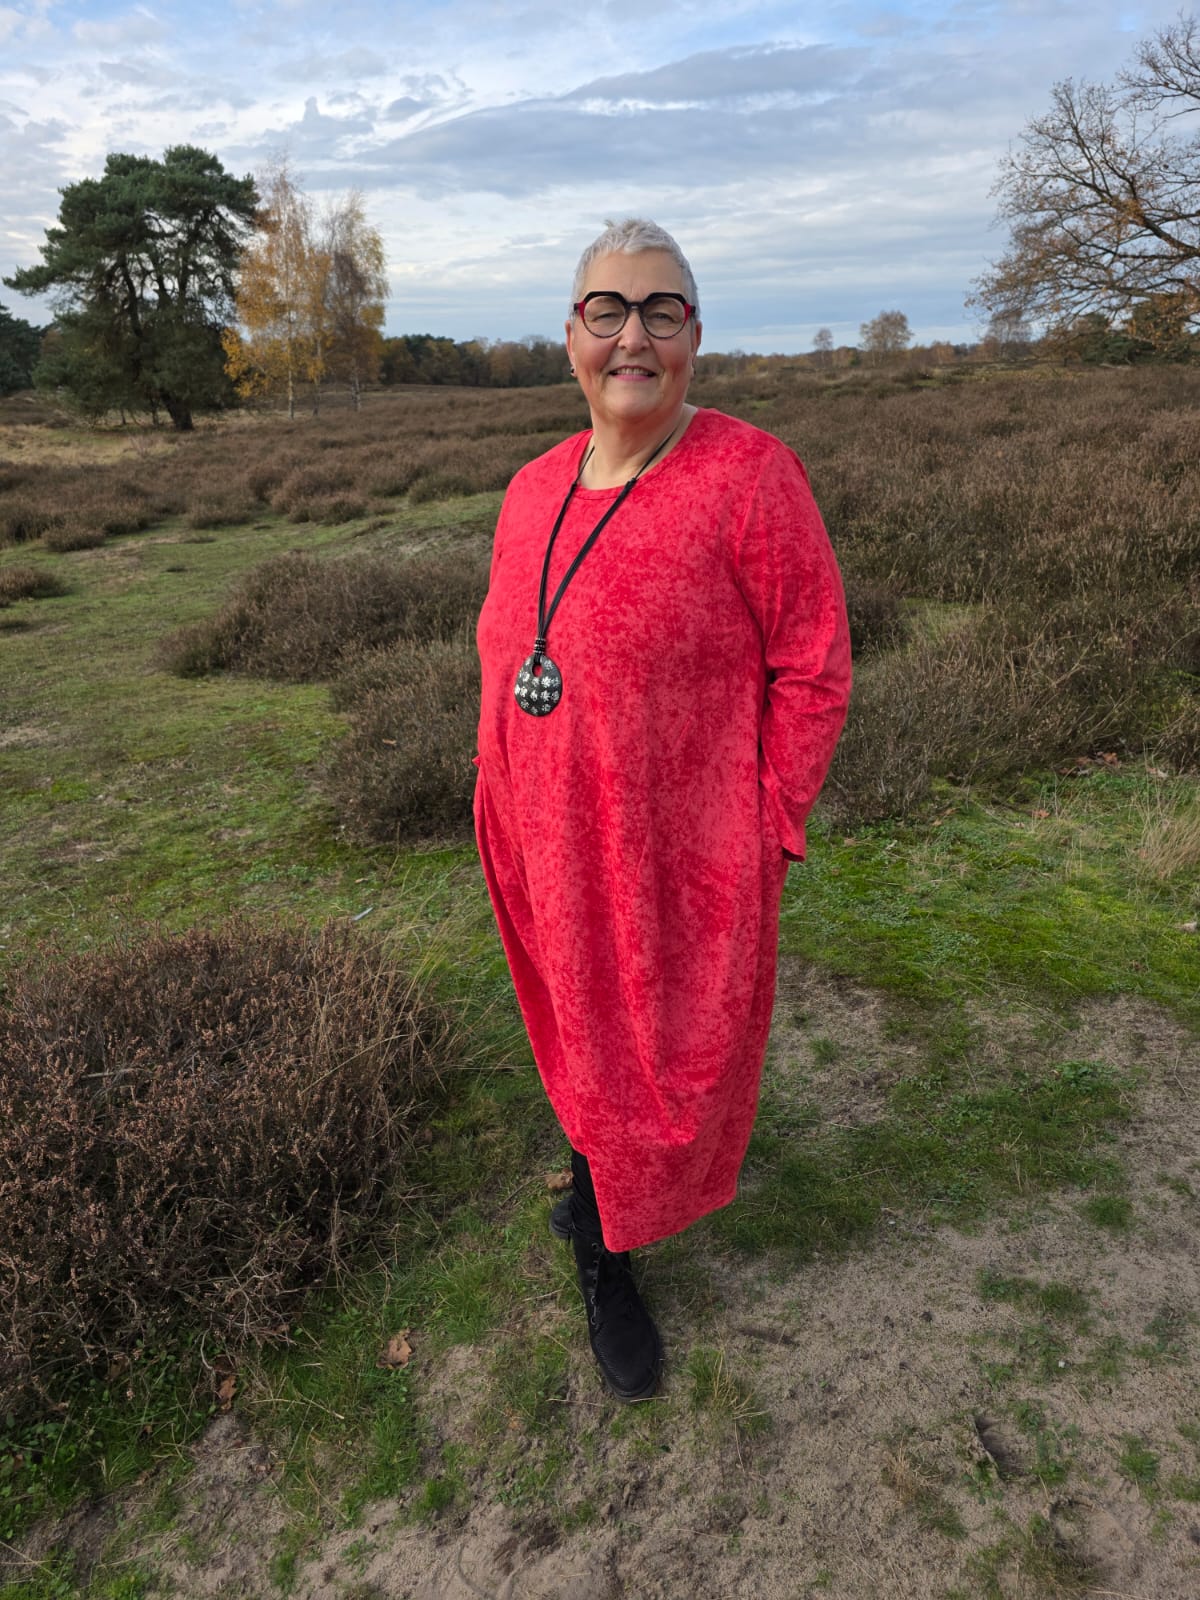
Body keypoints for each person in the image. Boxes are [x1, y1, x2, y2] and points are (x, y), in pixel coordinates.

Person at [474, 219, 851, 1402]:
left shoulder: (751, 476)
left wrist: (769, 819)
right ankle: (599, 1230)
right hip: (546, 837)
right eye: (608, 310)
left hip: (680, 855)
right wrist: (499, 796)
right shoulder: (531, 489)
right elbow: (505, 653)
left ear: (694, 334)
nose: (632, 335)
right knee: (579, 1037)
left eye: (660, 311)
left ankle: (607, 1237)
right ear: (571, 336)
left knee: (659, 1056)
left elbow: (815, 665)